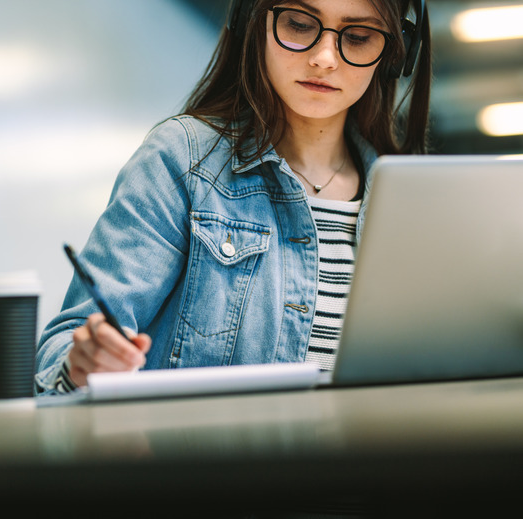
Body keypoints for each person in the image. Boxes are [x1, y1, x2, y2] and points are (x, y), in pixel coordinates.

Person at [35, 0, 431, 394]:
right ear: (252, 20)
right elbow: (62, 350)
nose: (325, 58)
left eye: (359, 37)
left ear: (398, 54)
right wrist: (84, 363)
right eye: (298, 24)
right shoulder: (182, 161)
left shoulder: (410, 200)